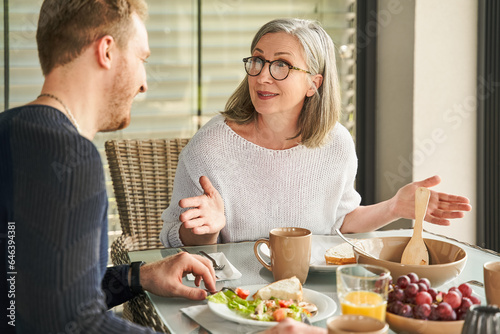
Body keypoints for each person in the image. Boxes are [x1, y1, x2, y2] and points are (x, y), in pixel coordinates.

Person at [0, 1, 217, 333]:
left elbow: (34, 294)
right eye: (142, 59)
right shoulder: (70, 156)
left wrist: (137, 276)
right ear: (106, 51)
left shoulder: (10, 130)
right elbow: (76, 325)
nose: (144, 83)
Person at [159, 18, 472, 247]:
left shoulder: (336, 143)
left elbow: (338, 221)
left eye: (281, 65)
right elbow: (172, 241)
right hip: (234, 297)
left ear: (314, 83)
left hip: (310, 296)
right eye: (257, 60)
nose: (262, 77)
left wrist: (394, 207)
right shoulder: (210, 147)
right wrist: (205, 231)